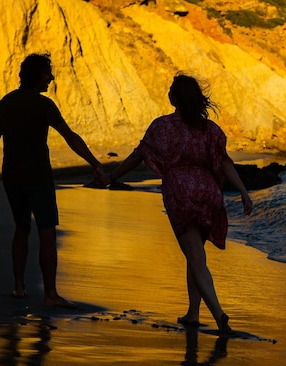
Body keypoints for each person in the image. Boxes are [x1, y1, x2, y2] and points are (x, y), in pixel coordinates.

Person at [106, 74, 252, 334]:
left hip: (181, 193)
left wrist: (111, 176)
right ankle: (193, 313)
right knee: (196, 253)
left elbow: (138, 156)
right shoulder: (211, 130)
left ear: (173, 98)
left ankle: (219, 314)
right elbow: (225, 163)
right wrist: (243, 192)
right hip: (209, 193)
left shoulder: (163, 127)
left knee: (195, 255)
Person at [0, 53, 104, 308]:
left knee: (21, 227)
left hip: (11, 176)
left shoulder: (6, 102)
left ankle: (18, 288)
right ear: (39, 76)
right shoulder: (43, 105)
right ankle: (50, 295)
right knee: (47, 232)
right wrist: (95, 164)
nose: (51, 78)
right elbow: (70, 137)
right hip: (38, 176)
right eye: (48, 73)